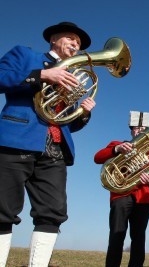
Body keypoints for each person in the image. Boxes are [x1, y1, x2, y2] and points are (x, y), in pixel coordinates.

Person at [0, 21, 96, 266]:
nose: (76, 44)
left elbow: (66, 122)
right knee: (3, 211)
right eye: (71, 38)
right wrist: (41, 75)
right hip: (17, 140)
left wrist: (83, 113)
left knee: (53, 214)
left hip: (54, 150)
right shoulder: (25, 54)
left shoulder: (74, 76)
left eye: (79, 43)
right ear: (53, 39)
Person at [94, 111, 149, 267]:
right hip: (120, 196)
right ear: (131, 130)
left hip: (143, 198)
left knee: (139, 238)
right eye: (136, 128)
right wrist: (117, 149)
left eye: (143, 128)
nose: (139, 131)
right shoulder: (118, 144)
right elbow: (97, 158)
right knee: (116, 236)